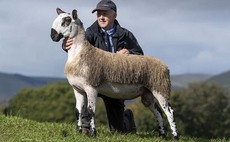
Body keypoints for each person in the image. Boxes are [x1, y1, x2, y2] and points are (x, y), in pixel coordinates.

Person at [63, 0, 144, 134]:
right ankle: (85, 126)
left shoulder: (126, 34)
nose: (101, 17)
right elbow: (76, 47)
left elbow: (140, 54)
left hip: (114, 84)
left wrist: (129, 53)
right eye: (99, 14)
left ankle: (127, 117)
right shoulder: (90, 32)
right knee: (83, 90)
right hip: (93, 79)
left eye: (105, 14)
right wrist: (65, 46)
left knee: (118, 131)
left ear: (114, 15)